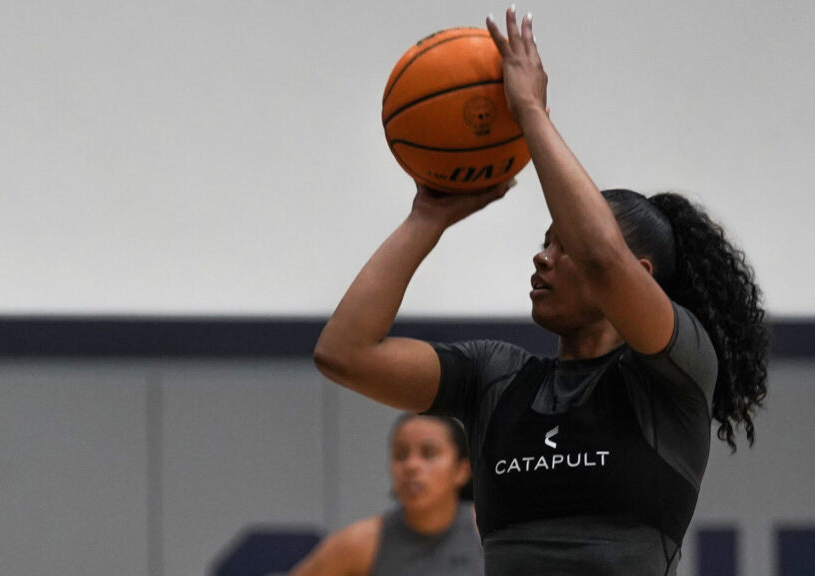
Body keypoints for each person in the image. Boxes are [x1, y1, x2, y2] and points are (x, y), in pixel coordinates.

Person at [313, 6, 768, 575]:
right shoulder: (495, 380)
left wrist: (530, 112)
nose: (543, 255)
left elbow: (603, 258)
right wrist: (426, 218)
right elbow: (344, 353)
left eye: (564, 245)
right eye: (545, 240)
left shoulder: (675, 373)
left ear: (641, 278)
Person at [289, 413, 484, 576]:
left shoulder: (486, 532)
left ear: (461, 470)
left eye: (428, 453)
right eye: (400, 455)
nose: (411, 466)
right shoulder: (361, 541)